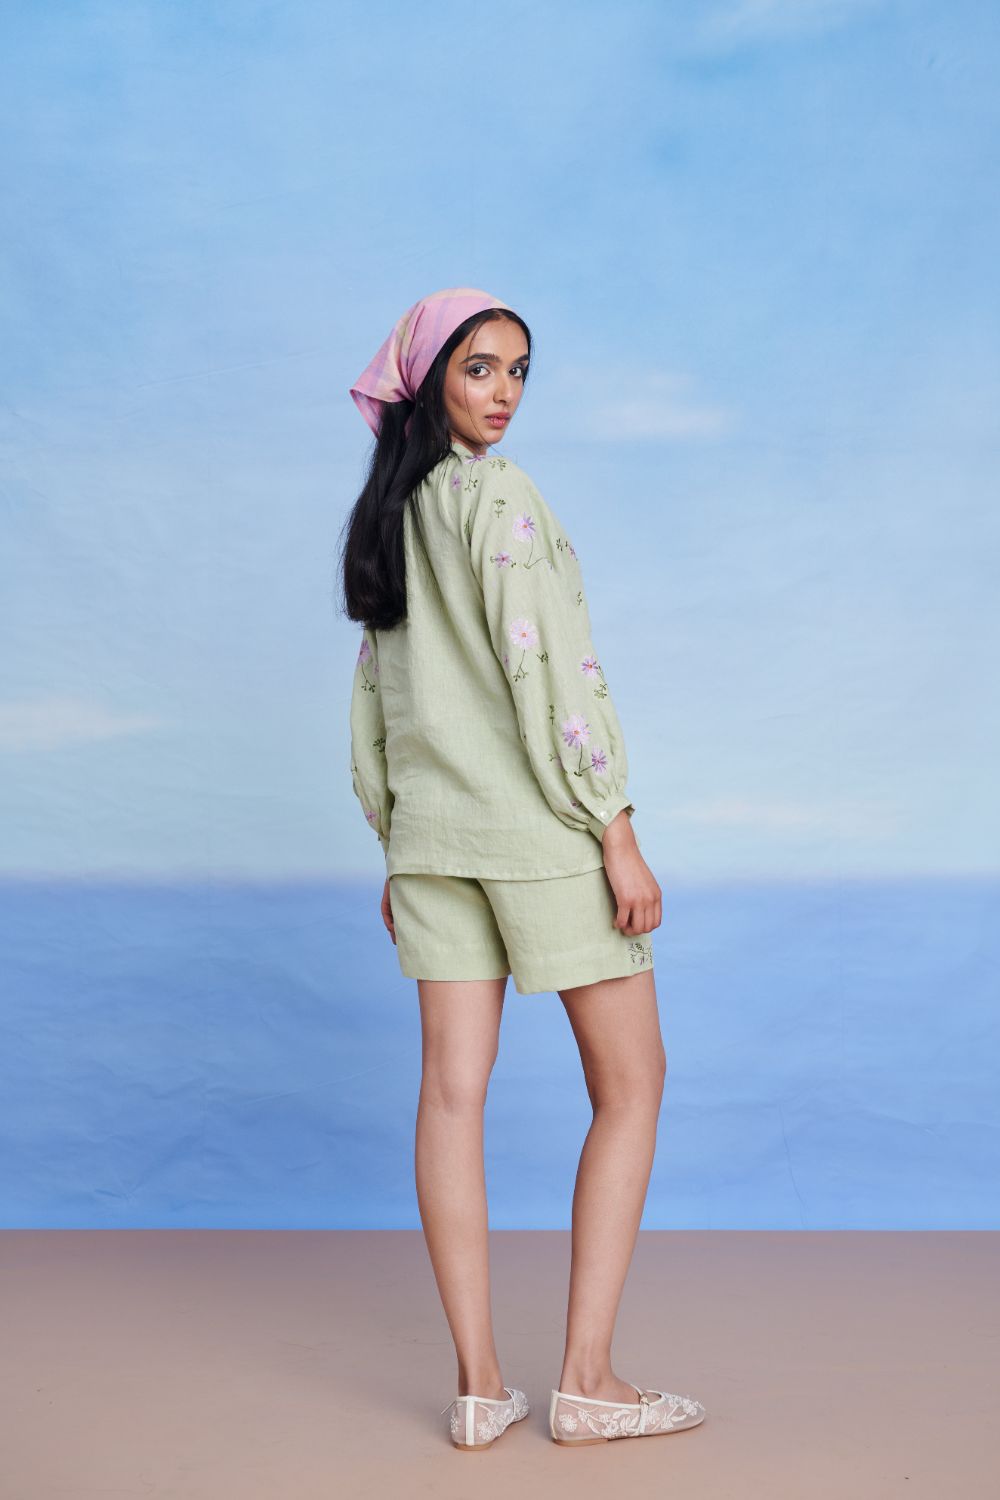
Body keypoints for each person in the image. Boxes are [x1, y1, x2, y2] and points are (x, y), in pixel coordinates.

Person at [337, 287, 706, 1450]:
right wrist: (615, 826)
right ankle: (586, 1382)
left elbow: (375, 703)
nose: (503, 394)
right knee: (632, 1086)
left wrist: (397, 843)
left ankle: (479, 1387)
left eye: (518, 372)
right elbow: (556, 677)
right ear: (427, 380)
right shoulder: (499, 498)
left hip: (433, 845)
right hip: (540, 837)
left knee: (450, 1096)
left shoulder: (390, 518)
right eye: (480, 368)